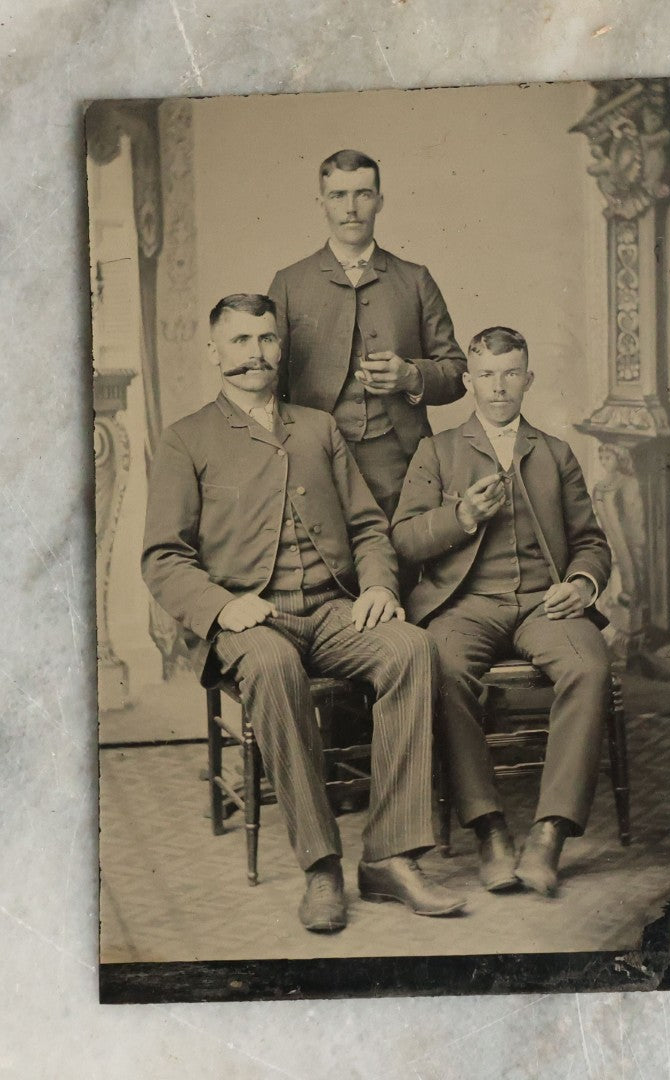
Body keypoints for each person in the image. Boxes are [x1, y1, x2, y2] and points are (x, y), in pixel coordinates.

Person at [142, 293, 466, 933]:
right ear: (214, 352)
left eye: (264, 340)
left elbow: (371, 526)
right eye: (239, 342)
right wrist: (220, 606)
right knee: (272, 666)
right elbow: (162, 557)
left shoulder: (317, 427)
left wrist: (378, 587)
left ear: (280, 347)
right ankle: (321, 867)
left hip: (332, 609)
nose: (253, 355)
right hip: (250, 620)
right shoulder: (186, 439)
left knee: (411, 649)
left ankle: (391, 856)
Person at [391, 327, 612, 897]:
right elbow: (406, 540)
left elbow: (591, 541)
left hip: (546, 604)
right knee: (440, 668)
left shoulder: (555, 453)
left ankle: (549, 833)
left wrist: (584, 584)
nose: (498, 387)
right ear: (467, 381)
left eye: (511, 373)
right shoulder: (436, 451)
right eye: (486, 375)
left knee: (589, 668)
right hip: (466, 605)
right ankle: (489, 828)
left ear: (528, 379)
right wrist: (461, 515)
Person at [268, 149, 467, 521]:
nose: (351, 208)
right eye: (338, 196)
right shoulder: (290, 283)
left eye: (362, 194)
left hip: (400, 460)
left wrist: (411, 375)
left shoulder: (415, 279)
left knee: (401, 563)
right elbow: (269, 382)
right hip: (315, 457)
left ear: (379, 201)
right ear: (321, 203)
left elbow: (457, 373)